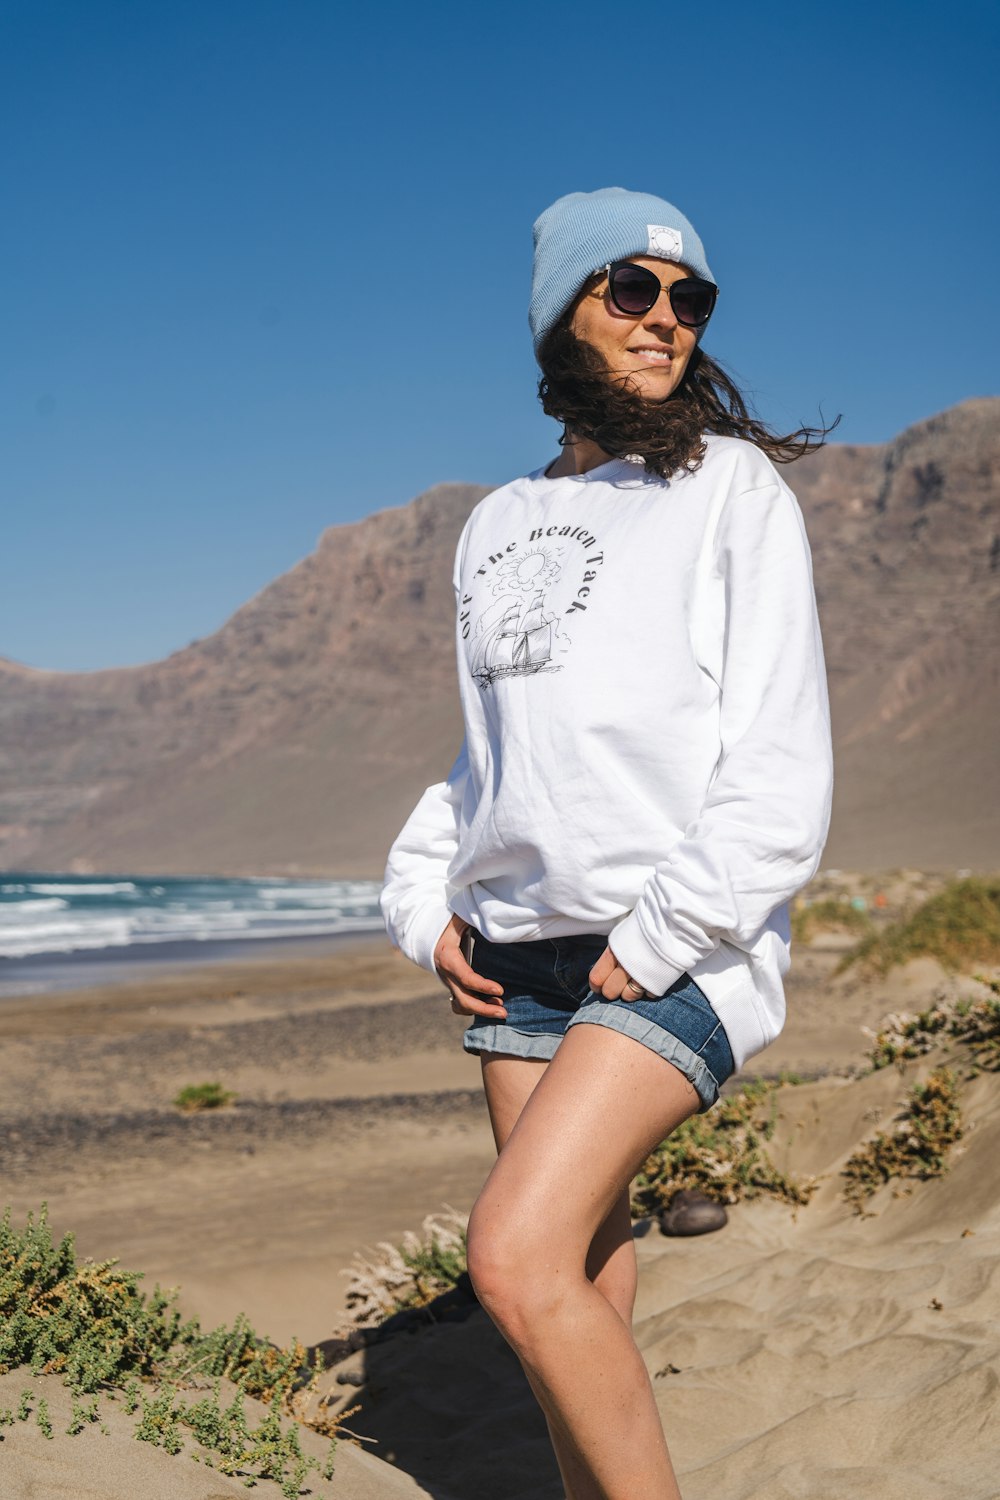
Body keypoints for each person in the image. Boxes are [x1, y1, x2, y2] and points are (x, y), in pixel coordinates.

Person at [380, 187, 835, 1500]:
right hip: (518, 956)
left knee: (514, 1258)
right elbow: (492, 762)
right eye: (631, 290)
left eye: (690, 299)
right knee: (579, 1296)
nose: (667, 321)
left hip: (669, 954)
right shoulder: (495, 523)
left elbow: (781, 762)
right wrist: (428, 912)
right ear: (561, 315)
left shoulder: (727, 489)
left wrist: (661, 934)